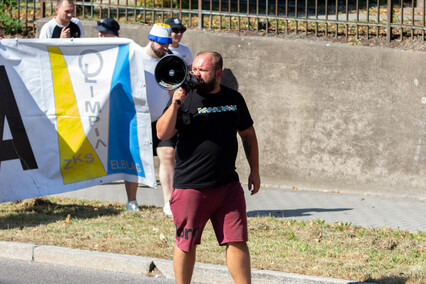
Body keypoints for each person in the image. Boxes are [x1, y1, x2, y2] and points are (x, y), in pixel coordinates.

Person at [157, 51, 260, 284]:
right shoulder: (184, 99)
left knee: (237, 240)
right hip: (191, 188)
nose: (195, 74)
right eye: (194, 69)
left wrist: (254, 170)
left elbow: (248, 135)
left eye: (202, 70)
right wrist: (175, 103)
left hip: (228, 186)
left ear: (218, 73)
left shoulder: (234, 99)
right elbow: (162, 133)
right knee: (187, 241)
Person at [124, 23, 176, 215]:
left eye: (168, 43)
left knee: (168, 154)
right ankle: (132, 201)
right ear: (151, 40)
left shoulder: (170, 60)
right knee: (134, 159)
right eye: (162, 43)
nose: (165, 47)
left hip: (161, 117)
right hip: (137, 118)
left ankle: (168, 202)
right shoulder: (134, 57)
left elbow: (173, 89)